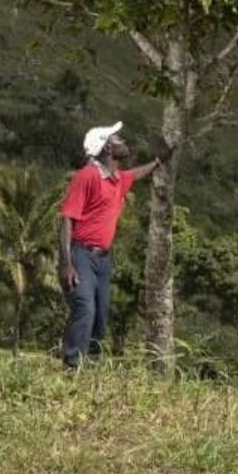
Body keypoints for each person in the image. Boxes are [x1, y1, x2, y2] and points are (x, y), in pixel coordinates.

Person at [59, 121, 169, 369]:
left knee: (100, 315)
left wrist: (158, 161)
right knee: (85, 308)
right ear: (107, 147)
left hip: (103, 259)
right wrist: (67, 264)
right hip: (82, 255)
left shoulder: (116, 179)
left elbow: (137, 174)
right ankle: (71, 366)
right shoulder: (87, 176)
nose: (123, 141)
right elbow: (67, 219)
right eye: (117, 138)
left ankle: (93, 365)